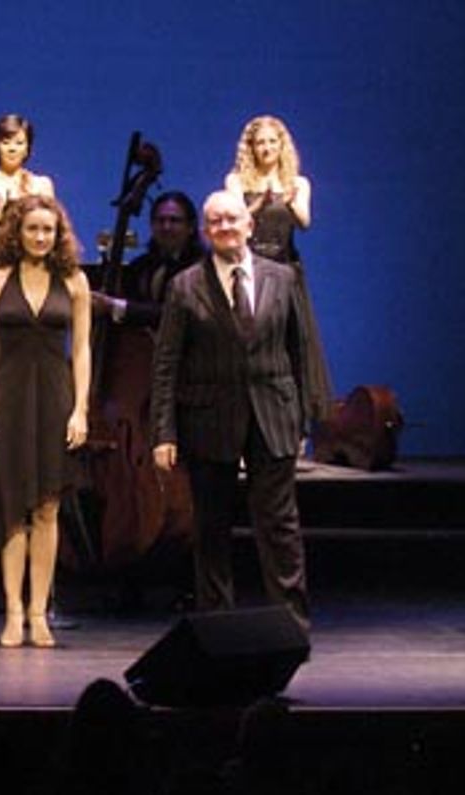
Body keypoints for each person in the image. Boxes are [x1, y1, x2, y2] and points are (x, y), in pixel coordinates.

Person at [150, 191, 311, 630]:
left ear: (249, 225)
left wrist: (302, 419)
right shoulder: (185, 286)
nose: (224, 227)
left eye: (232, 219)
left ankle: (292, 627)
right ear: (205, 231)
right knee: (211, 530)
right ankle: (217, 629)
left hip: (273, 414)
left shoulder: (283, 278)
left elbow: (299, 351)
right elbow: (166, 363)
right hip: (209, 418)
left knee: (280, 527)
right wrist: (163, 432)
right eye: (215, 222)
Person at [0, 194, 91, 648]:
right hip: (10, 399)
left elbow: (82, 350)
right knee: (12, 506)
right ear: (17, 232)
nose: (40, 237)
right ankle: (14, 611)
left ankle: (39, 612)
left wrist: (81, 409)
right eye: (32, 228)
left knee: (48, 507)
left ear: (58, 234)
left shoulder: (74, 281)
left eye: (47, 230)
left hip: (55, 398)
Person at [225, 115, 332, 420]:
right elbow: (233, 223)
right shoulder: (236, 181)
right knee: (249, 343)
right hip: (250, 270)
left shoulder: (298, 182)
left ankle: (293, 422)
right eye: (260, 142)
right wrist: (258, 205)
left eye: (272, 141)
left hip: (285, 269)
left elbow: (304, 222)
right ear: (251, 147)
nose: (267, 148)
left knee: (291, 344)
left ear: (282, 145)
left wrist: (290, 201)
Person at [92, 190, 205, 328]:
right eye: (160, 220)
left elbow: (178, 314)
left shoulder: (202, 268)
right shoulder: (139, 267)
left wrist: (116, 306)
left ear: (191, 227)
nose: (166, 227)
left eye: (174, 220)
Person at [0, 114, 56, 273]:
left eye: (19, 143)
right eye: (5, 142)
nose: (12, 148)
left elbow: (51, 229)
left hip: (33, 266)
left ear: (27, 148)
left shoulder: (42, 184)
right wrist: (2, 214)